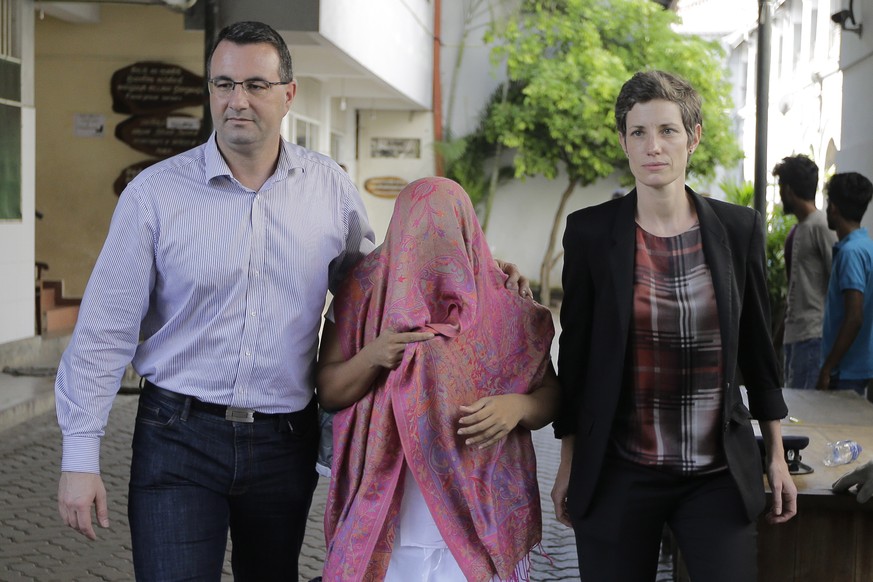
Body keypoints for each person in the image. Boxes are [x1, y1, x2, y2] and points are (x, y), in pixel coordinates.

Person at [550, 70, 797, 581]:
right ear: (623, 142)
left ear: (694, 137)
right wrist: (568, 461)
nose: (652, 146)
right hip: (620, 471)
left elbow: (756, 349)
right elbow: (574, 360)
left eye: (667, 131)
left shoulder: (738, 227)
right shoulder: (592, 232)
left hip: (714, 476)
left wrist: (775, 453)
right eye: (638, 132)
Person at [318, 177, 559, 582]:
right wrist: (373, 357)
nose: (432, 247)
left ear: (465, 229)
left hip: (478, 519)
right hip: (386, 522)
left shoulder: (505, 301)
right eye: (419, 231)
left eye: (443, 230)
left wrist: (519, 407)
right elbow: (328, 390)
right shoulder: (361, 293)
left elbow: (552, 395)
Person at [772, 155, 837, 389]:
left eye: (780, 188)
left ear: (788, 190)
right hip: (795, 337)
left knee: (805, 418)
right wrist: (777, 341)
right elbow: (795, 291)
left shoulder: (821, 226)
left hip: (814, 337)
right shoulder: (799, 229)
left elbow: (838, 282)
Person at [816, 172, 873, 395]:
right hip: (860, 368)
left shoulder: (850, 253)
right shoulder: (866, 246)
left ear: (834, 208)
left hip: (847, 372)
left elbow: (854, 316)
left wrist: (828, 368)